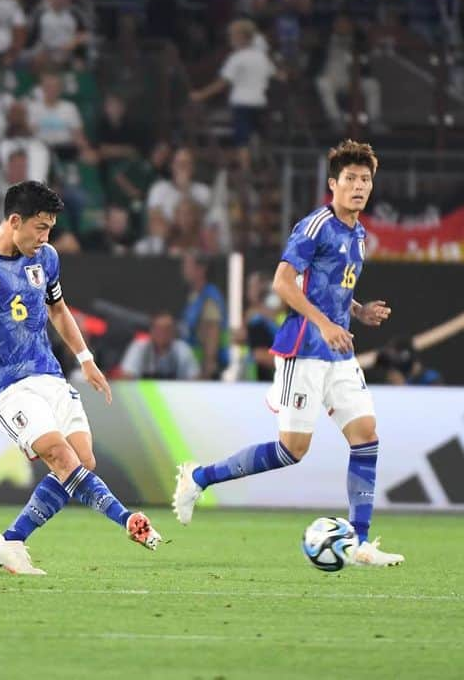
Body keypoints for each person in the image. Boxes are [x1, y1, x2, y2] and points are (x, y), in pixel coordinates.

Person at [172, 139, 405, 567]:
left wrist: (358, 310)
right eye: (350, 179)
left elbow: (330, 288)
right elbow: (283, 283)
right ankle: (198, 477)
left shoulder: (359, 234)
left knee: (366, 436)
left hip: (338, 351)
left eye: (365, 179)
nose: (358, 186)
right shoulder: (314, 226)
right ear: (332, 185)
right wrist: (326, 323)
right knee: (292, 450)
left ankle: (360, 541)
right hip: (304, 349)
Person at [0, 181, 162, 575]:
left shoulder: (46, 257)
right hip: (8, 384)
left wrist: (85, 358)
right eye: (40, 228)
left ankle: (11, 541)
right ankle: (126, 520)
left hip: (50, 375)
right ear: (15, 221)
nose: (45, 238)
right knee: (61, 456)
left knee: (82, 461)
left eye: (49, 229)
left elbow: (59, 309)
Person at [189, 18, 275, 172]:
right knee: (258, 137)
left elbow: (222, 83)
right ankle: (263, 167)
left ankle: (246, 171)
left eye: (232, 36)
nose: (230, 39)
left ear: (241, 37)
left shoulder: (237, 58)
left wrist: (200, 95)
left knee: (242, 141)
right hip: (260, 102)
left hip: (242, 103)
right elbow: (274, 74)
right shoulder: (262, 57)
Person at [179, 252, 227, 379]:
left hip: (201, 370)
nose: (184, 270)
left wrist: (207, 368)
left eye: (187, 265)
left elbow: (212, 333)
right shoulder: (194, 296)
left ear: (200, 269)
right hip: (191, 367)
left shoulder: (209, 298)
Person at [118, 312, 200, 380]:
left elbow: (195, 378)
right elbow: (126, 376)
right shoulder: (139, 347)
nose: (163, 333)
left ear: (174, 331)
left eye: (167, 329)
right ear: (151, 330)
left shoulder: (183, 349)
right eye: (159, 329)